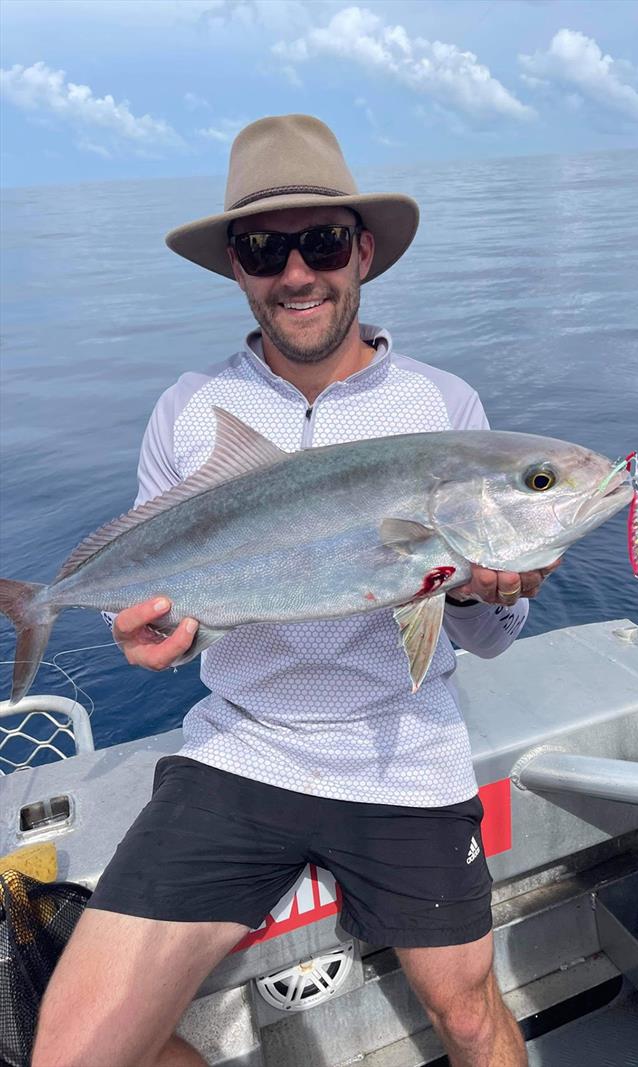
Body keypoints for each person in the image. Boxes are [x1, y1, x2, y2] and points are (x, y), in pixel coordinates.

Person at [32, 114, 560, 1067]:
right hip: (240, 750)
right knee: (70, 1053)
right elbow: (176, 616)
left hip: (404, 752)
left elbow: (487, 636)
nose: (296, 273)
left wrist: (484, 594)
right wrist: (168, 639)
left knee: (474, 1017)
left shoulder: (443, 409)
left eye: (320, 242)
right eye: (265, 249)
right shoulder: (192, 409)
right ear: (236, 267)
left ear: (362, 250)